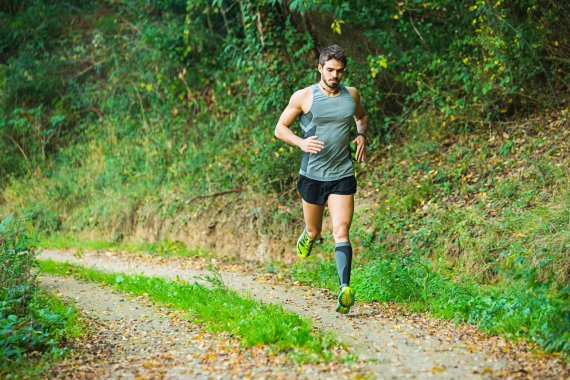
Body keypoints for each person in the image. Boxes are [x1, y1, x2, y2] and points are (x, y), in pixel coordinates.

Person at [274, 45, 368, 314]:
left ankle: (344, 289)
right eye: (330, 70)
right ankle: (309, 235)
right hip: (312, 176)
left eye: (339, 71)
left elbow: (361, 117)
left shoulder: (351, 95)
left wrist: (361, 135)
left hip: (342, 174)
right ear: (320, 68)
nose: (334, 76)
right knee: (315, 231)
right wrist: (300, 142)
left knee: (341, 230)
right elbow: (280, 128)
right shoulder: (304, 97)